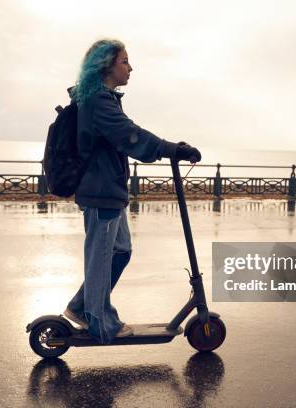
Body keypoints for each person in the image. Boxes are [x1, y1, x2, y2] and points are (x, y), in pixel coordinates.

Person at [63, 38, 202, 345]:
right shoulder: (98, 100)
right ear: (106, 65)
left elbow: (126, 136)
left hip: (108, 191)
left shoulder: (102, 98)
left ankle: (80, 307)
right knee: (100, 259)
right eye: (125, 61)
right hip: (101, 193)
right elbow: (130, 136)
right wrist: (172, 149)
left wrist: (168, 148)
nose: (130, 67)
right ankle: (99, 322)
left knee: (120, 251)